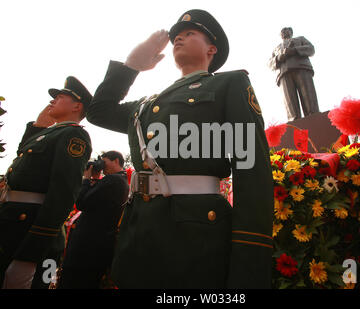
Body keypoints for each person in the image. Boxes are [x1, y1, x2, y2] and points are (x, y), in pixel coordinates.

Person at [87, 9, 274, 288]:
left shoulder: (229, 84)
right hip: (140, 232)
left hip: (195, 238)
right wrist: (131, 66)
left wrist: (249, 264)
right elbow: (98, 112)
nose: (178, 39)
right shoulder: (146, 104)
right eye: (176, 36)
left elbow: (251, 170)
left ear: (212, 48)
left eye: (189, 34)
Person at [0, 76, 92, 289]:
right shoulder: (50, 133)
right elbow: (24, 158)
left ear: (77, 106)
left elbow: (63, 194)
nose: (52, 100)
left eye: (60, 97)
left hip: (28, 230)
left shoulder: (73, 135)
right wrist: (38, 126)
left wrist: (32, 252)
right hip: (10, 224)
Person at [58, 151, 129, 289]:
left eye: (104, 161)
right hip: (99, 245)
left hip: (87, 246)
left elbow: (82, 203)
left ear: (116, 161)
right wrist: (96, 179)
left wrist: (86, 179)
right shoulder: (122, 181)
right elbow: (95, 202)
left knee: (72, 282)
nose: (102, 166)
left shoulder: (113, 180)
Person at [269, 27, 320, 121]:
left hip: (301, 68)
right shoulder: (277, 48)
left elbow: (311, 49)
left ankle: (314, 118)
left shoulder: (300, 39)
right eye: (282, 32)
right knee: (291, 107)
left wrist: (295, 50)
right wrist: (279, 57)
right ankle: (294, 121)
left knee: (309, 100)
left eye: (286, 31)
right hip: (283, 74)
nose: (284, 33)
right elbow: (270, 64)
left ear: (291, 32)